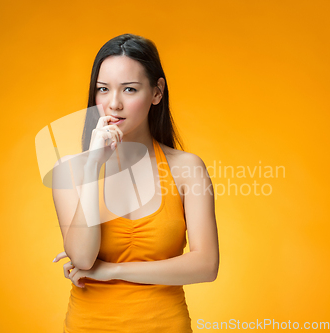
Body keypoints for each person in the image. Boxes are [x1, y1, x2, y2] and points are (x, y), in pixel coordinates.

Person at [52, 33, 219, 333]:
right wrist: (92, 167)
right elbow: (83, 257)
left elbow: (206, 265)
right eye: (103, 90)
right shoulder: (69, 171)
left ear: (157, 92)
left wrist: (112, 271)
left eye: (129, 89)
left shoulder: (187, 168)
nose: (113, 104)